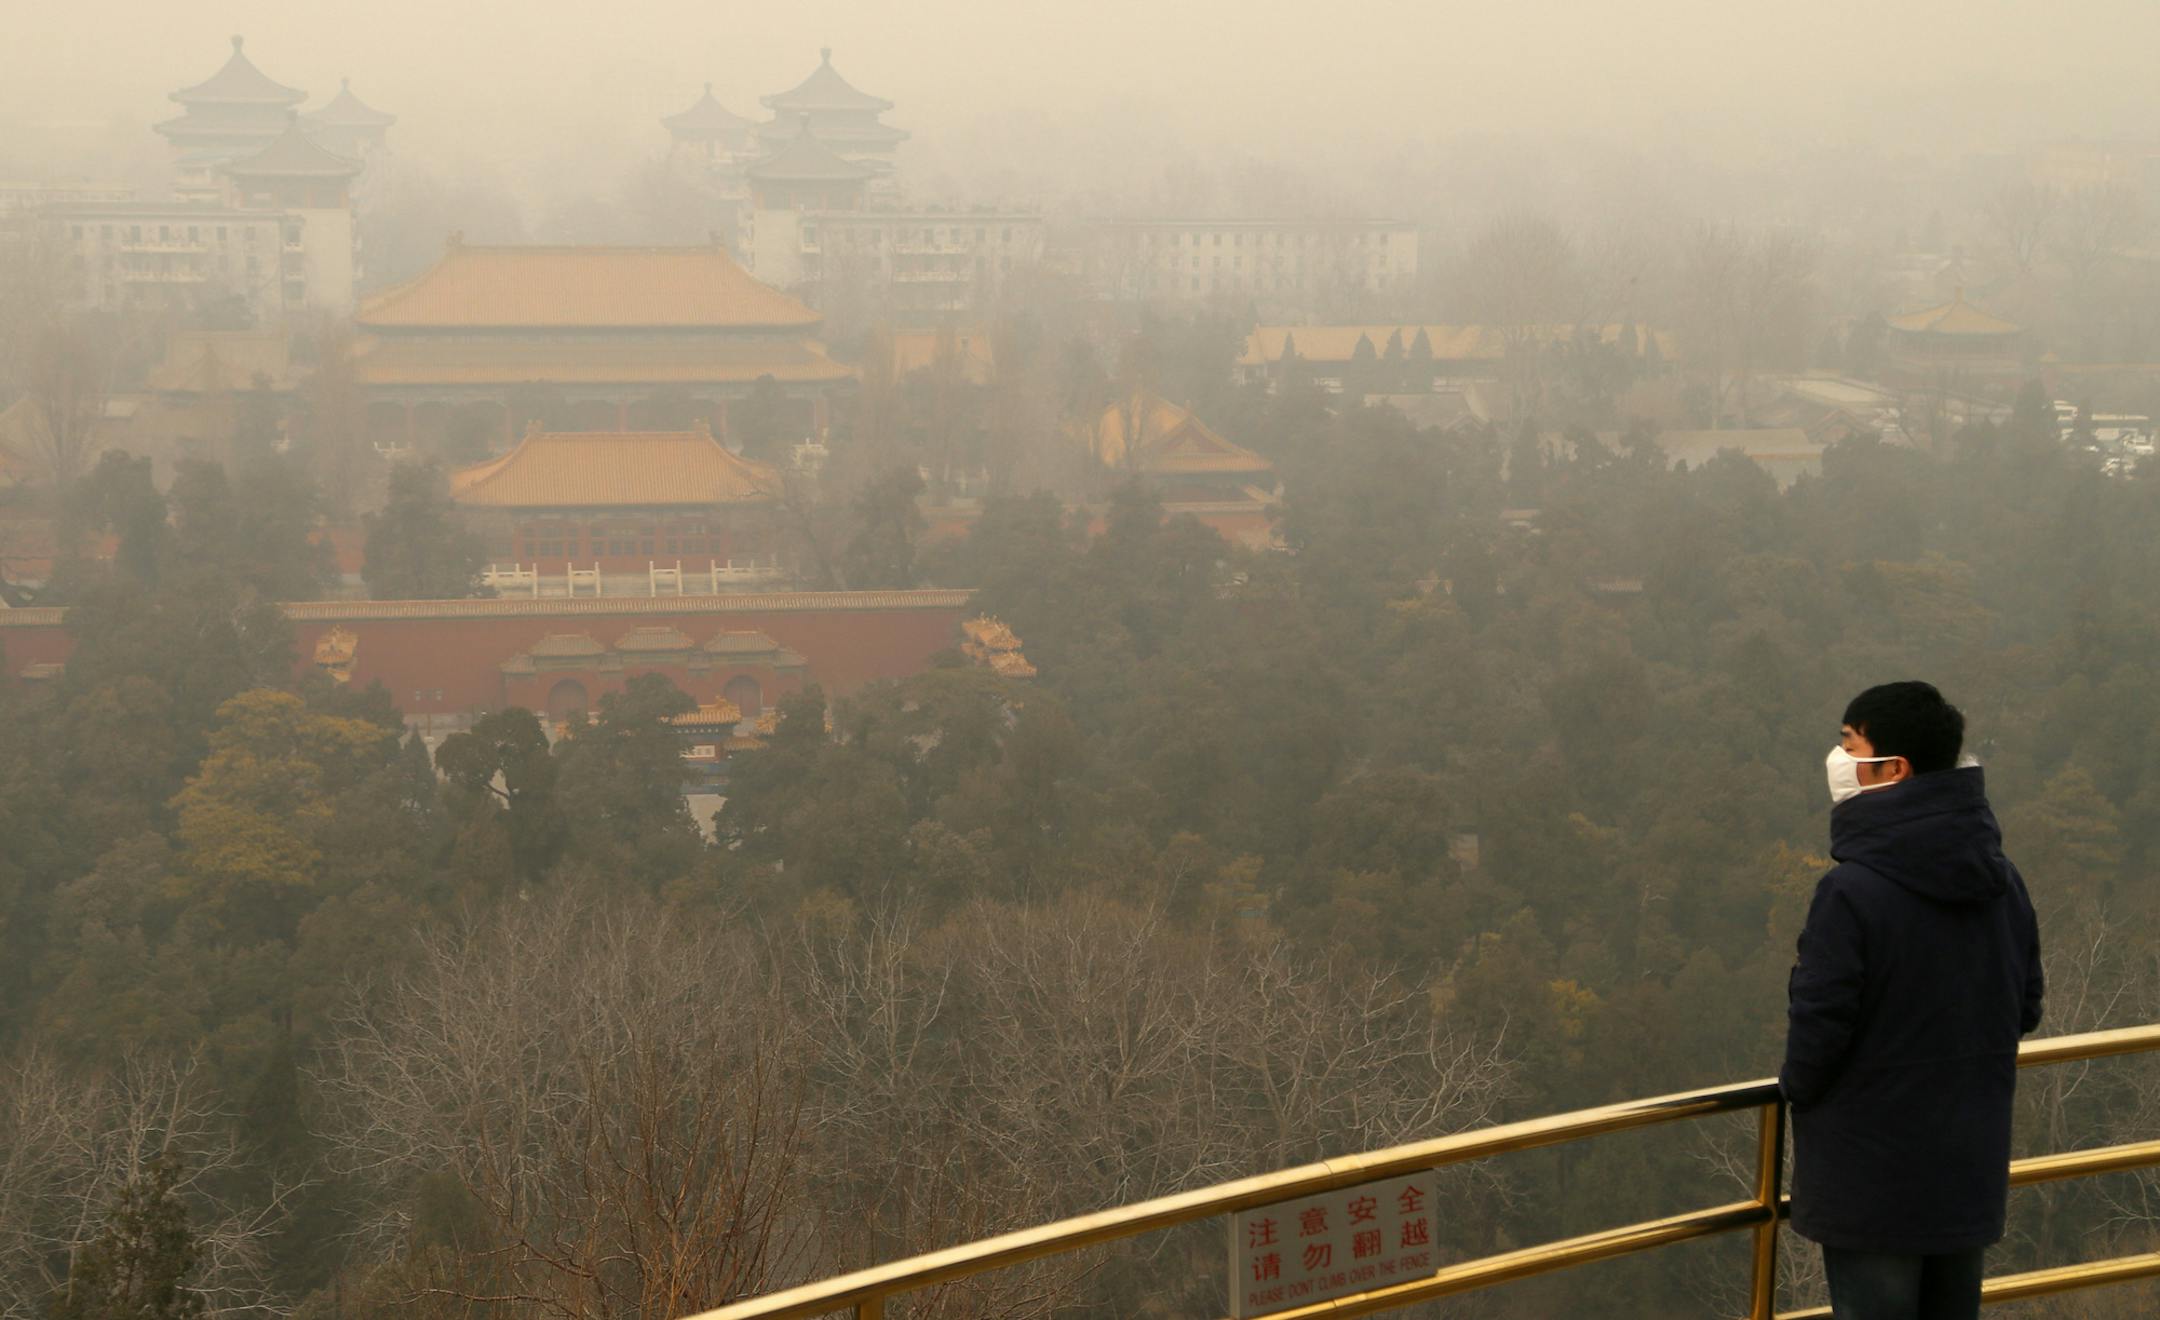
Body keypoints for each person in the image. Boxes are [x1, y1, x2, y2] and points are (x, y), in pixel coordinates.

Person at [1782, 681, 2044, 1320]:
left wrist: (1799, 1089)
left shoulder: (1850, 892)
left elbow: (1819, 1030)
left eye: (1851, 746)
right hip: (1966, 1166)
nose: (1839, 760)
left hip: (1871, 1176)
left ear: (1893, 768)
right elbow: (2026, 1006)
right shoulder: (2000, 878)